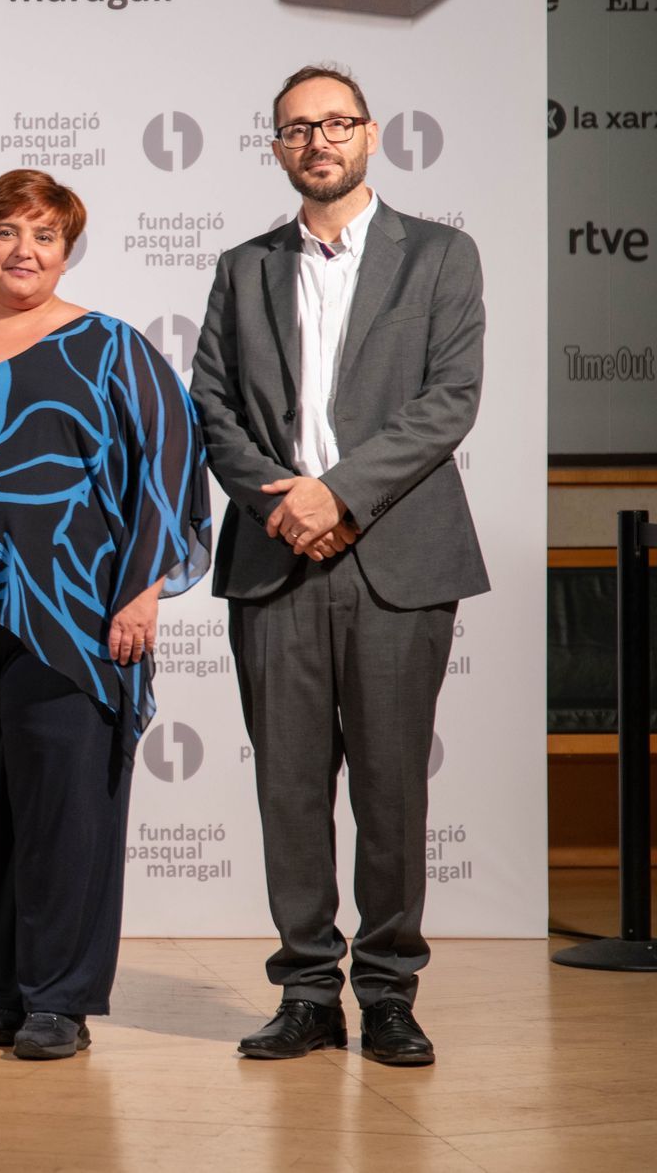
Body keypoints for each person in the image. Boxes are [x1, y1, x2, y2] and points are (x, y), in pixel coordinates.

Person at [0, 169, 211, 1061]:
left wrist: (143, 589)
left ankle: (59, 998)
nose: (25, 251)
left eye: (45, 237)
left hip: (72, 614)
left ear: (67, 250)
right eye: (8, 232)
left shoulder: (112, 348)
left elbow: (172, 467)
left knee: (66, 813)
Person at [190, 65, 488, 1068]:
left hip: (397, 556)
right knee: (286, 785)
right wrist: (287, 501)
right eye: (293, 129)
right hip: (273, 554)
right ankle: (308, 991)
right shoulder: (241, 267)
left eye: (332, 123)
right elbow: (211, 405)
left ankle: (390, 991)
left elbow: (448, 400)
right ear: (276, 149)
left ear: (369, 133)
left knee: (391, 787)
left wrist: (340, 494)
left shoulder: (439, 256)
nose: (314, 140)